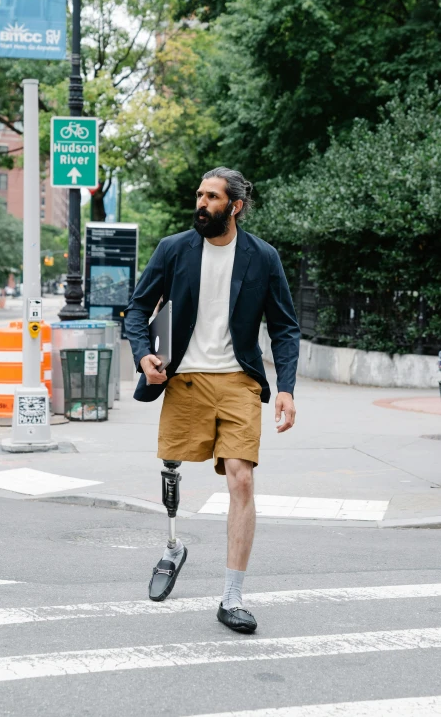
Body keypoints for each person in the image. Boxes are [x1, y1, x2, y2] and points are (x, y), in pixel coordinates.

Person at [124, 167, 300, 633]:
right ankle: (173, 545)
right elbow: (138, 309)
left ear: (235, 206)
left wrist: (285, 388)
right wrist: (144, 357)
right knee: (170, 460)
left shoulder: (263, 258)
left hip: (239, 381)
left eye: (211, 197)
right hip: (183, 380)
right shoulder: (175, 249)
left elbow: (284, 327)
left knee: (241, 480)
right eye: (199, 195)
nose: (200, 204)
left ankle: (232, 597)